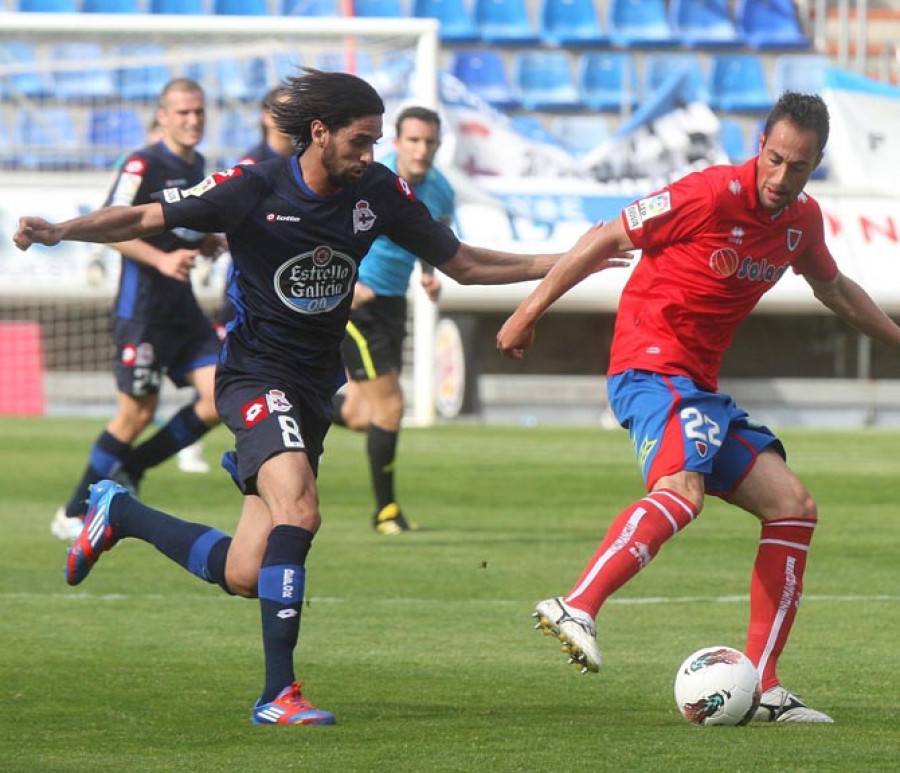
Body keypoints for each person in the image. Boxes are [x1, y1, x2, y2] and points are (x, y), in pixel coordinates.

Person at [13, 68, 632, 726]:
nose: (372, 156)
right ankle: (277, 693)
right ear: (319, 132)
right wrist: (61, 230)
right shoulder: (252, 186)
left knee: (248, 570)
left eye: (376, 143)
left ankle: (120, 511)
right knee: (301, 510)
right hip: (254, 375)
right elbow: (145, 214)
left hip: (312, 387)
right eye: (361, 142)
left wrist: (566, 261)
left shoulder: (378, 191)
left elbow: (462, 262)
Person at [497, 91, 900, 724]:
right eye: (773, 158)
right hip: (651, 368)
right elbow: (606, 235)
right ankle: (577, 604)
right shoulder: (707, 193)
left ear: (816, 164)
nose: (780, 176)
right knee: (680, 491)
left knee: (793, 508)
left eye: (798, 166)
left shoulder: (801, 222)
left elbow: (836, 289)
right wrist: (526, 312)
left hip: (700, 390)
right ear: (759, 146)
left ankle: (764, 686)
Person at [50, 78, 223, 542]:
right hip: (143, 310)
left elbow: (178, 226)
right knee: (135, 413)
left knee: (219, 396)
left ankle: (133, 467)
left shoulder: (199, 165)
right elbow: (113, 225)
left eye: (199, 112)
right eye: (183, 112)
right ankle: (72, 511)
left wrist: (205, 239)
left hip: (182, 310)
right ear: (162, 116)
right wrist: (163, 258)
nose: (192, 120)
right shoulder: (142, 162)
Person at [333, 105, 453, 535]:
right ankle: (385, 511)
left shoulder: (441, 191)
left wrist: (428, 274)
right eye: (414, 140)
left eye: (430, 142)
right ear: (397, 142)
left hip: (393, 304)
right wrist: (346, 281)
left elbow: (432, 237)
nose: (422, 150)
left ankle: (293, 400)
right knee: (392, 405)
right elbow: (333, 230)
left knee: (366, 415)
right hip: (355, 303)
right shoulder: (371, 181)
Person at [213, 86, 294, 337]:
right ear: (266, 116)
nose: (293, 116)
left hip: (293, 286)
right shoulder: (251, 166)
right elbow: (228, 220)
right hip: (251, 289)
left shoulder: (306, 163)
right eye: (285, 110)